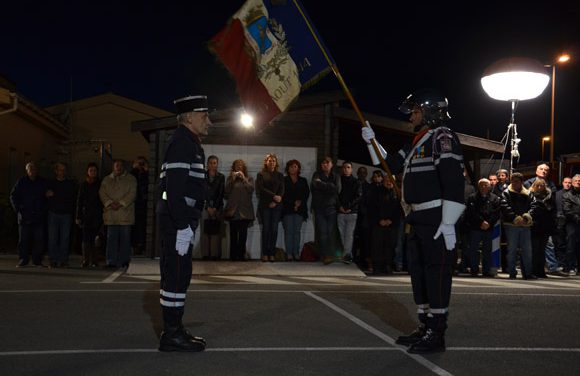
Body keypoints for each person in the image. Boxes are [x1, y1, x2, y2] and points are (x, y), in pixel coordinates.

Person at [362, 89, 465, 354]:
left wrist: (450, 221)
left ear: (430, 112)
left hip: (435, 217)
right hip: (417, 217)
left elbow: (453, 180)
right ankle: (425, 324)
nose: (411, 117)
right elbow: (390, 165)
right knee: (419, 274)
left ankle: (437, 332)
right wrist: (372, 142)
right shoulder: (417, 142)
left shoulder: (442, 137)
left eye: (416, 111)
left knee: (436, 274)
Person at [156, 95, 211, 352]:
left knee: (180, 275)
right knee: (176, 276)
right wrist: (182, 225)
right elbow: (173, 190)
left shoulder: (189, 142)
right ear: (189, 118)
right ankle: (172, 335)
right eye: (204, 116)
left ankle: (175, 330)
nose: (208, 122)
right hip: (177, 221)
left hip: (181, 220)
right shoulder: (181, 143)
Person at [99, 159, 137, 269]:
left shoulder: (131, 179)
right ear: (113, 167)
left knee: (125, 239)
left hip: (125, 214)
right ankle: (111, 261)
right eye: (116, 165)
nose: (118, 167)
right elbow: (102, 193)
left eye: (120, 165)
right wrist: (110, 203)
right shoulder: (106, 180)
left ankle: (124, 261)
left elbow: (132, 194)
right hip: (111, 215)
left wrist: (120, 204)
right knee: (111, 239)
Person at [499, 172, 538, 280]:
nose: (514, 183)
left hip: (525, 225)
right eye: (512, 181)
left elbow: (534, 206)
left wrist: (526, 217)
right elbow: (504, 206)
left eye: (516, 181)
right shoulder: (506, 193)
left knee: (527, 250)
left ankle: (528, 273)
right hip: (511, 225)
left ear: (521, 182)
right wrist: (515, 218)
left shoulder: (528, 193)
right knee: (512, 250)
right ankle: (512, 272)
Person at [10, 162, 48, 267]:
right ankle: (23, 259)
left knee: (39, 240)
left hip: (38, 216)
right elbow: (13, 196)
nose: (32, 171)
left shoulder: (42, 182)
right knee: (23, 240)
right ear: (27, 171)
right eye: (30, 169)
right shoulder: (21, 182)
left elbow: (47, 196)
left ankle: (37, 260)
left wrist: (44, 209)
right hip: (24, 216)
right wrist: (18, 209)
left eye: (34, 169)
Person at [465, 178, 501, 277]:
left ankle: (486, 270)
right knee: (473, 249)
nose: (483, 187)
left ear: (489, 186)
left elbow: (497, 213)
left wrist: (489, 223)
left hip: (489, 228)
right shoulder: (472, 198)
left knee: (487, 250)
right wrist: (481, 222)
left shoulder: (494, 198)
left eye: (486, 185)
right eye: (481, 185)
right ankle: (474, 269)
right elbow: (470, 213)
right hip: (475, 227)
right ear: (478, 186)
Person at [367, 172, 400, 274]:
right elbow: (371, 208)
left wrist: (391, 220)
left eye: (391, 181)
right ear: (383, 181)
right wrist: (379, 220)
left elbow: (399, 210)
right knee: (377, 246)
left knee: (390, 246)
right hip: (378, 224)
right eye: (387, 180)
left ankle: (388, 266)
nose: (389, 182)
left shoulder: (397, 193)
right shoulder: (376, 192)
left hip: (392, 225)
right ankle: (377, 267)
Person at [311, 156, 341, 265]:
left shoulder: (336, 176)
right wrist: (329, 187)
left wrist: (322, 185)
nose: (325, 164)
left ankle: (331, 255)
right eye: (323, 163)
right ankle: (325, 256)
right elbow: (315, 186)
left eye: (327, 162)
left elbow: (337, 189)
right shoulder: (316, 175)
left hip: (331, 208)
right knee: (323, 233)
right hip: (319, 208)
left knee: (331, 232)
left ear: (332, 164)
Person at [46, 162, 77, 268]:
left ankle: (64, 260)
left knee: (65, 238)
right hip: (53, 213)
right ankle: (53, 260)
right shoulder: (51, 183)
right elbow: (46, 196)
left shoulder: (69, 184)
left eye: (64, 170)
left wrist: (55, 195)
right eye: (60, 170)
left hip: (66, 214)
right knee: (53, 238)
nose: (62, 172)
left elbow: (71, 197)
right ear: (56, 171)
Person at [224, 159, 255, 261]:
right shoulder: (230, 179)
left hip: (245, 212)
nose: (239, 167)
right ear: (234, 167)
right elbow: (226, 193)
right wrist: (232, 180)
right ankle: (233, 256)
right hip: (233, 211)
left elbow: (251, 189)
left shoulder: (249, 179)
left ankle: (241, 255)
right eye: (237, 166)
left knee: (243, 235)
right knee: (233, 235)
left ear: (243, 168)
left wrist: (244, 179)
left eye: (241, 166)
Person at [256, 153, 284, 262]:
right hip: (265, 205)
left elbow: (282, 189)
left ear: (276, 163)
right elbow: (261, 189)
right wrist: (273, 197)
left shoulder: (280, 175)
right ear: (266, 162)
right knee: (266, 230)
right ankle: (265, 253)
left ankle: (272, 253)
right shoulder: (261, 174)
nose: (272, 162)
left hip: (277, 206)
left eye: (273, 161)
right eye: (270, 160)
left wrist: (277, 200)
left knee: (274, 230)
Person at [76, 163, 103, 268]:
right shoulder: (83, 185)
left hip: (97, 214)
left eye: (95, 170)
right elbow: (79, 201)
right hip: (86, 215)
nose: (93, 173)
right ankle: (85, 259)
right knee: (86, 239)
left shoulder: (100, 184)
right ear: (87, 172)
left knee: (96, 238)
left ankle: (95, 260)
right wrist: (78, 216)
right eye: (91, 170)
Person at [282, 159, 310, 261]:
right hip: (287, 209)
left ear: (298, 168)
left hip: (300, 209)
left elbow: (306, 193)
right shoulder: (284, 180)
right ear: (287, 169)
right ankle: (289, 253)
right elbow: (283, 194)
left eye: (295, 166)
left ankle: (296, 253)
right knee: (289, 232)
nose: (293, 168)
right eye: (291, 166)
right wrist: (293, 203)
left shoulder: (303, 180)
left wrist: (299, 202)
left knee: (297, 232)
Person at [529, 178, 556, 278]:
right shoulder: (531, 196)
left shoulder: (549, 197)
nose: (540, 187)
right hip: (535, 226)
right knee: (535, 249)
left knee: (542, 250)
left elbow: (553, 211)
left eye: (542, 185)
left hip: (545, 226)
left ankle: (540, 271)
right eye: (538, 185)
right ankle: (534, 270)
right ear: (534, 186)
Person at [337, 161, 362, 263]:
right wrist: (340, 207)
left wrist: (349, 207)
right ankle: (345, 254)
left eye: (348, 167)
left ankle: (347, 255)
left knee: (349, 234)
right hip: (340, 212)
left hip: (352, 212)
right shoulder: (338, 181)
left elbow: (358, 196)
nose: (346, 169)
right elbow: (336, 195)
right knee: (341, 234)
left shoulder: (356, 182)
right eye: (344, 167)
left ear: (351, 169)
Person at [202, 155, 225, 260]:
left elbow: (221, 193)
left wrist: (215, 208)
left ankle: (215, 255)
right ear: (207, 164)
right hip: (205, 207)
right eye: (210, 163)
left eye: (214, 163)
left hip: (217, 207)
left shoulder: (221, 177)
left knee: (216, 231)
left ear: (217, 164)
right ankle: (206, 255)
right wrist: (208, 207)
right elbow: (202, 192)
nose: (212, 165)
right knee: (205, 231)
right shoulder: (203, 176)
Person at [551, 177, 572, 276]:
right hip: (559, 221)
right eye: (566, 182)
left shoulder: (573, 194)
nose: (567, 184)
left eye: (569, 183)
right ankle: (561, 263)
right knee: (559, 244)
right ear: (563, 183)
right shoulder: (557, 194)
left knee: (569, 244)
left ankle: (567, 265)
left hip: (569, 221)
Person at [130, 156, 149, 255]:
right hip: (134, 203)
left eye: (142, 163)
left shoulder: (146, 174)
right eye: (139, 163)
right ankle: (135, 246)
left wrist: (146, 171)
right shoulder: (132, 174)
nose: (140, 165)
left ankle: (142, 246)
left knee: (142, 226)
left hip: (144, 204)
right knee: (135, 226)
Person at [562, 174, 580, 275]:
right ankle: (569, 266)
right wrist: (577, 218)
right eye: (576, 181)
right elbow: (567, 210)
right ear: (572, 183)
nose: (578, 182)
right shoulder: (567, 195)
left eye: (579, 181)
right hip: (572, 223)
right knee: (571, 245)